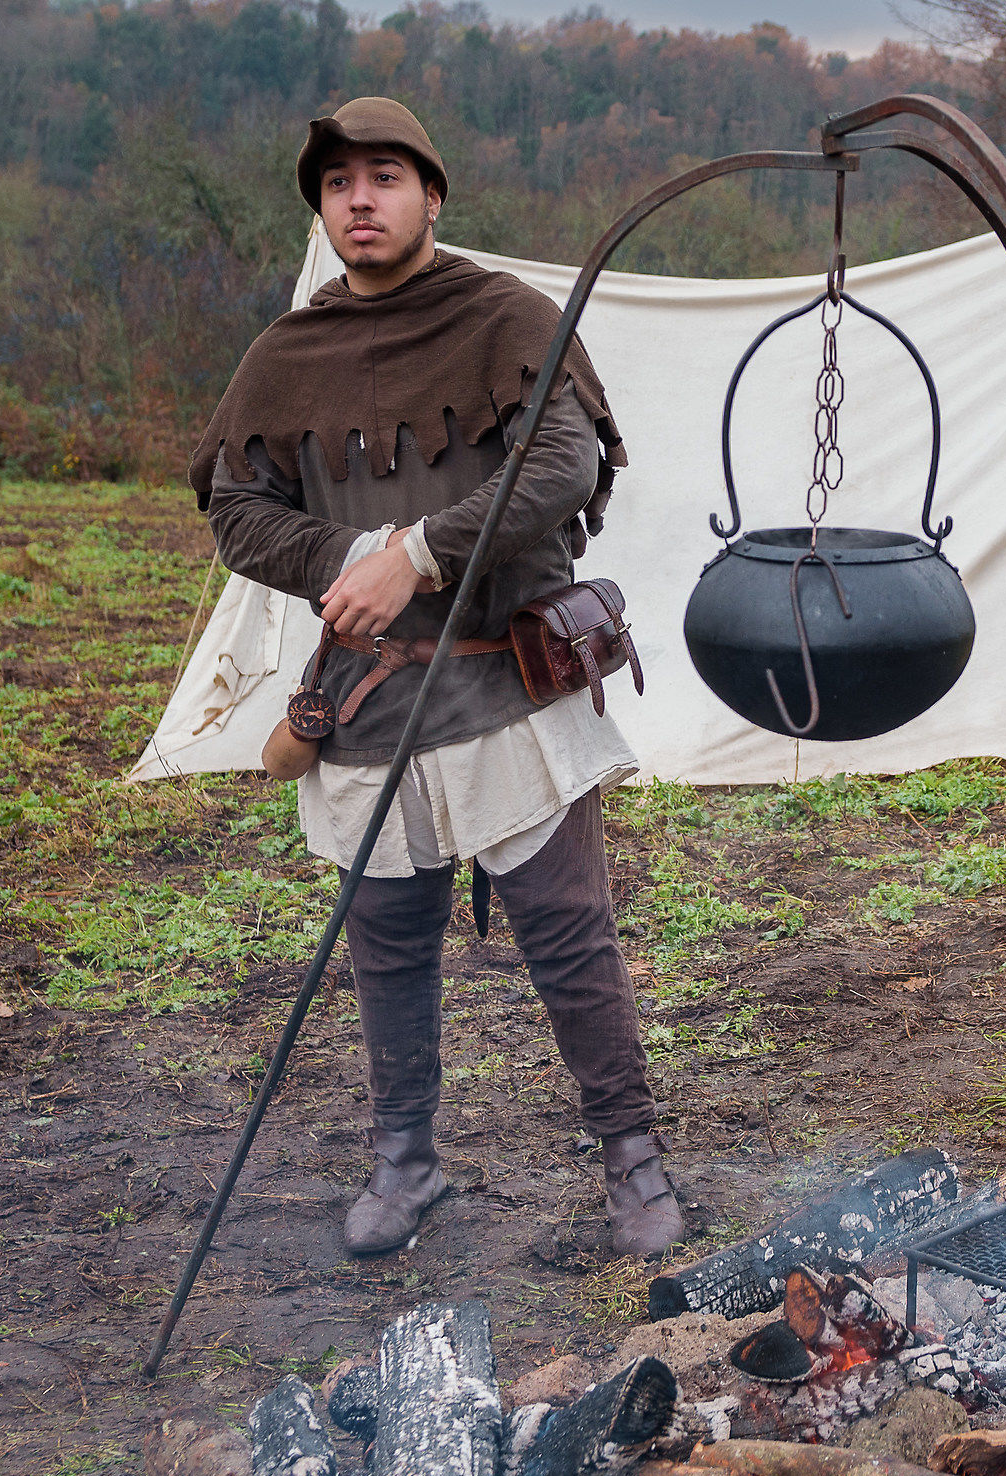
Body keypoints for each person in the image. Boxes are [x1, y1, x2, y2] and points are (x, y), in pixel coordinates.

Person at [187, 97, 686, 1259]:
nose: (360, 199)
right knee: (388, 949)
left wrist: (415, 553)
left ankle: (634, 1161)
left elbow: (561, 463)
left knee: (568, 939)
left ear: (431, 194)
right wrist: (345, 563)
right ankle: (405, 1168)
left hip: (501, 688)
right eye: (339, 184)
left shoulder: (503, 314)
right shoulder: (288, 354)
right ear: (323, 207)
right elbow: (235, 508)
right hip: (364, 701)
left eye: (385, 177)